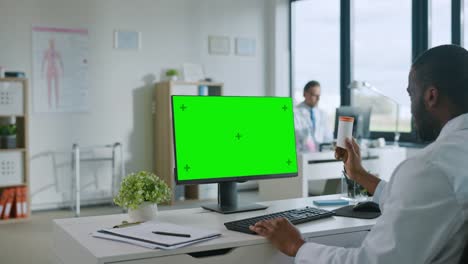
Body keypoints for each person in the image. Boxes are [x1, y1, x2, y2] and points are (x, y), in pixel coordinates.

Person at [250, 45, 468, 263]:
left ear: (431, 96)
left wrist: (297, 247)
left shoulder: (429, 167)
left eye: (411, 95)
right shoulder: (449, 161)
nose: (410, 107)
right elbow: (429, 198)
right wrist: (360, 175)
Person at [295, 81, 333, 152]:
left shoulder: (323, 114)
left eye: (319, 95)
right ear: (304, 94)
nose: (318, 99)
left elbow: (328, 137)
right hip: (302, 156)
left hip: (320, 155)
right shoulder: (295, 113)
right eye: (314, 95)